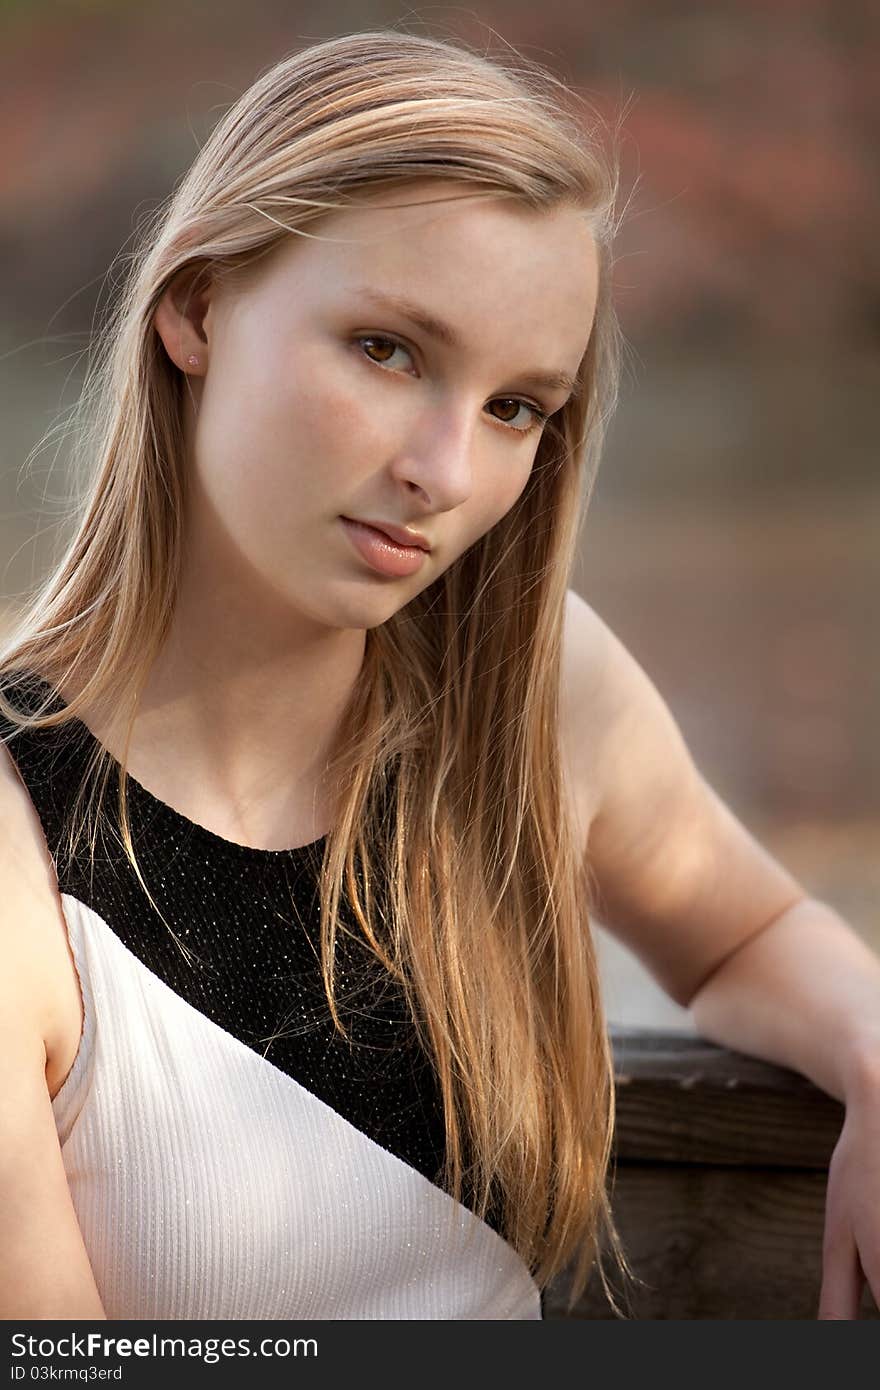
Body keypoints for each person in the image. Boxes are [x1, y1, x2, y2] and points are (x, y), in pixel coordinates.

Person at [0, 29, 877, 1324]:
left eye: (517, 407)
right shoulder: (19, 842)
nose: (447, 473)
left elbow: (744, 934)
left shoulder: (531, 688)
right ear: (195, 310)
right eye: (388, 349)